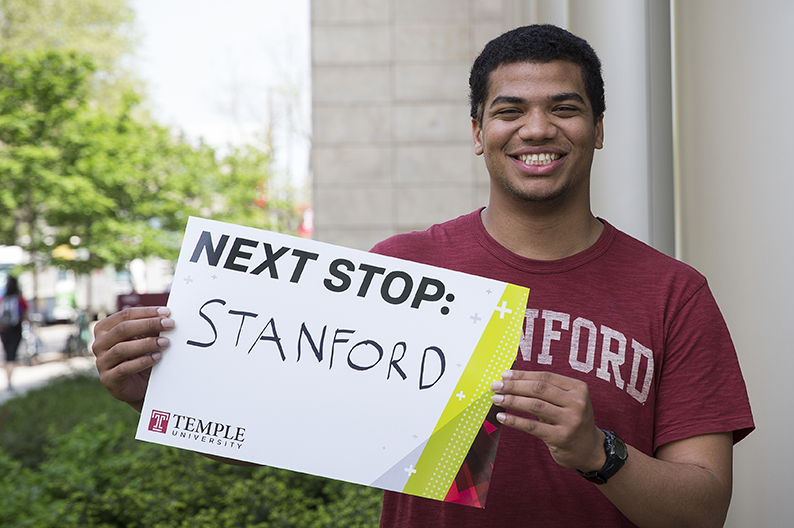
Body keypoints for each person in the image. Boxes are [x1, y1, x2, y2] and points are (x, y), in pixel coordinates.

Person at [92, 24, 753, 528]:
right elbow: (279, 436)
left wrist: (597, 450)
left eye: (565, 107)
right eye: (509, 110)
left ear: (599, 129)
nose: (537, 128)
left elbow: (703, 509)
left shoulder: (673, 292)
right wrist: (165, 392)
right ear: (477, 132)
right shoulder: (405, 269)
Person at [1, 275, 29, 391]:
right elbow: (25, 313)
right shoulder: (19, 298)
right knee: (12, 355)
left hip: (3, 330)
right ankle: (9, 381)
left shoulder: (3, 298)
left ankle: (7, 379)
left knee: (7, 355)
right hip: (15, 329)